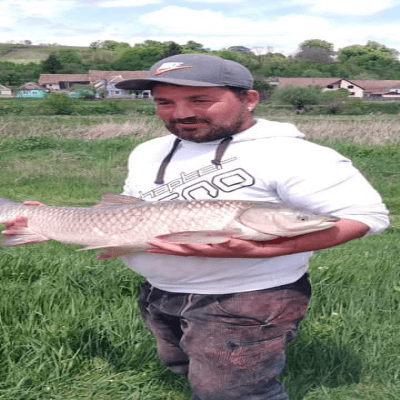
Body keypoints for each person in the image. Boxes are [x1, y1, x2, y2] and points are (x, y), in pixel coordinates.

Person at [5, 54, 389, 400]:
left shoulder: (295, 154)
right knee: (183, 368)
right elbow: (129, 211)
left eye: (200, 100)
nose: (180, 113)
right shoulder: (148, 151)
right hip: (160, 291)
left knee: (234, 392)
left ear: (248, 99)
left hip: (246, 299)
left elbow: (367, 216)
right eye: (164, 102)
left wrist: (263, 250)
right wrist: (49, 217)